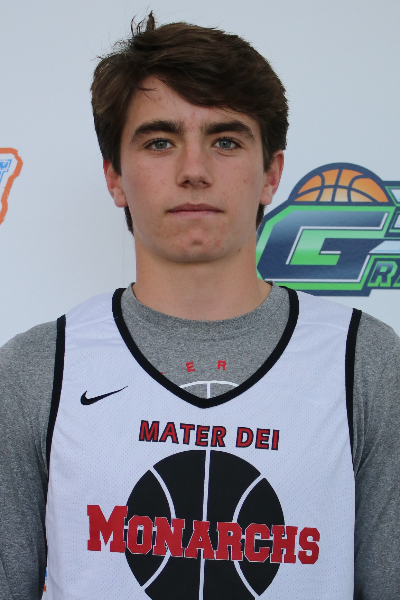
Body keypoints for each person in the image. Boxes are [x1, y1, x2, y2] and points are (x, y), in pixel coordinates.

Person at [1, 12, 399, 600]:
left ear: (272, 174)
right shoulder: (37, 369)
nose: (194, 171)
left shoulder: (365, 362)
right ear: (115, 177)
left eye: (226, 141)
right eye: (160, 142)